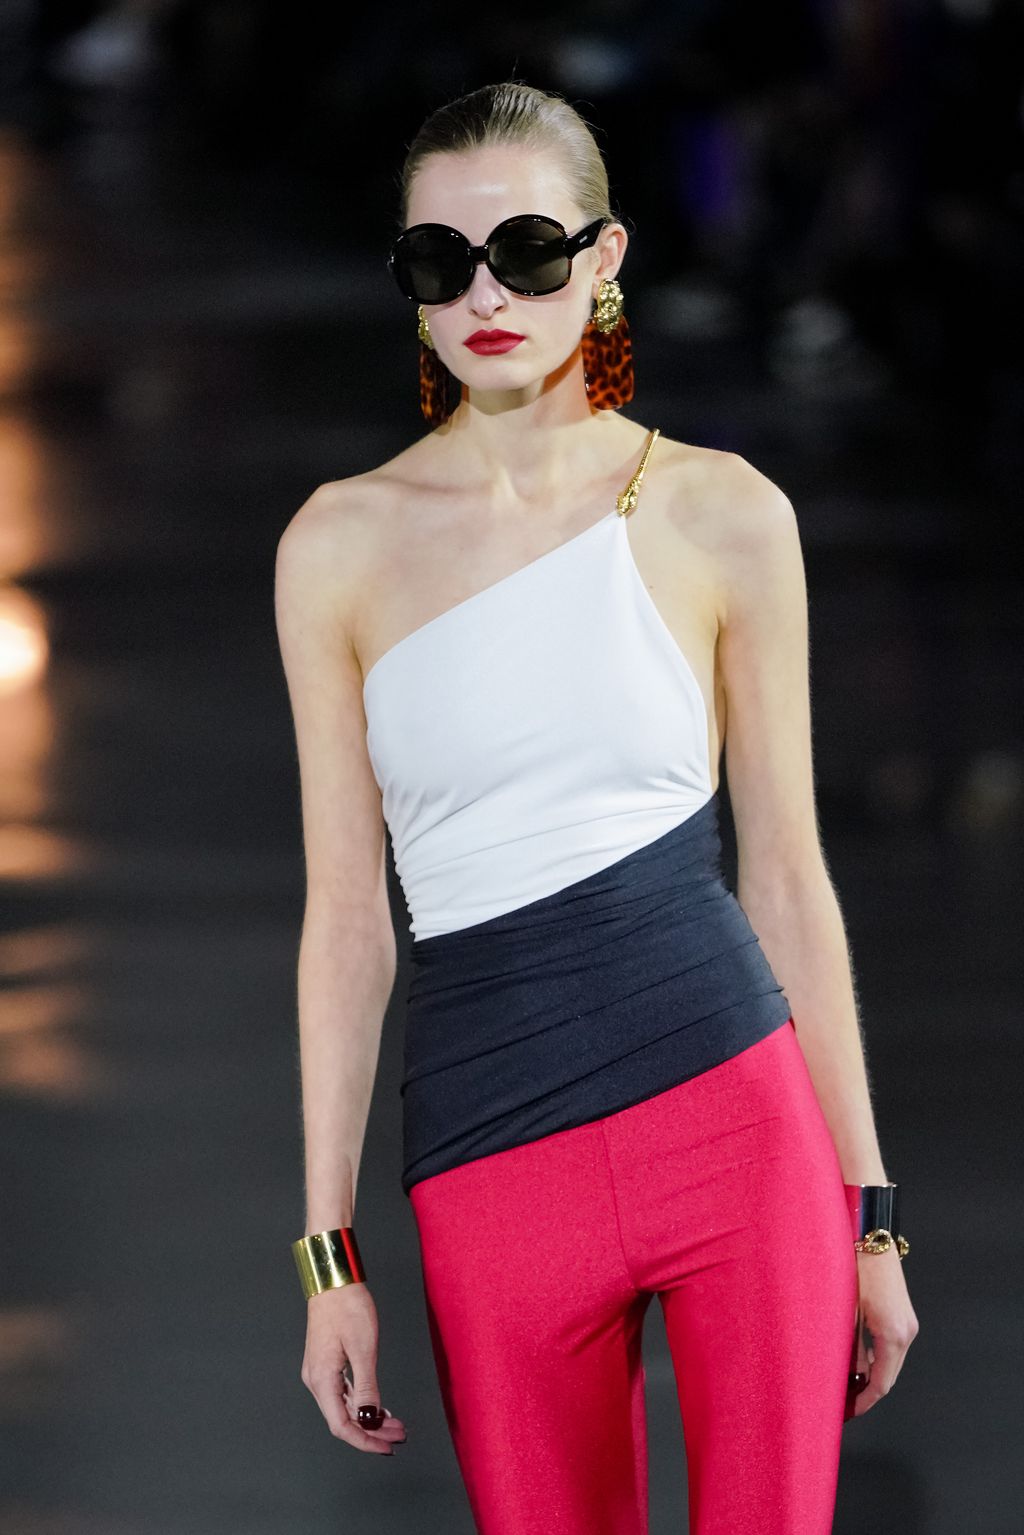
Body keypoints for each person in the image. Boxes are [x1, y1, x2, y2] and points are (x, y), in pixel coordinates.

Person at [275, 79, 919, 1535]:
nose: (486, 295)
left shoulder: (725, 514)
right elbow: (344, 921)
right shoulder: (339, 546)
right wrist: (329, 1254)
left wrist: (869, 1207)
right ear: (409, 287)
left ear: (607, 256)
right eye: (441, 264)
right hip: (493, 1171)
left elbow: (787, 883)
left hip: (741, 1134)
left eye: (528, 251)